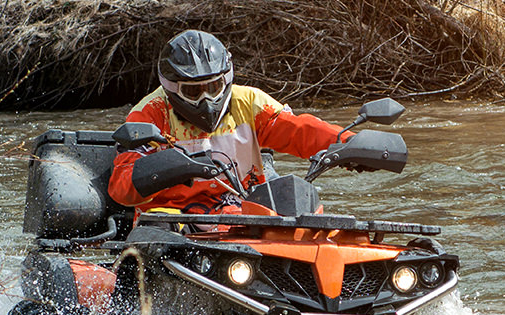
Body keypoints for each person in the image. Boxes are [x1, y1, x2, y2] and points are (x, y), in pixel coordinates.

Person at [107, 29, 352, 216]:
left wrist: (349, 145)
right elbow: (121, 188)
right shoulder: (149, 113)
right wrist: (169, 168)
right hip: (173, 220)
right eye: (194, 92)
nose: (206, 100)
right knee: (164, 231)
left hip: (240, 212)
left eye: (213, 88)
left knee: (299, 217)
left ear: (226, 79)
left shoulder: (250, 102)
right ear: (172, 89)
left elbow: (299, 131)